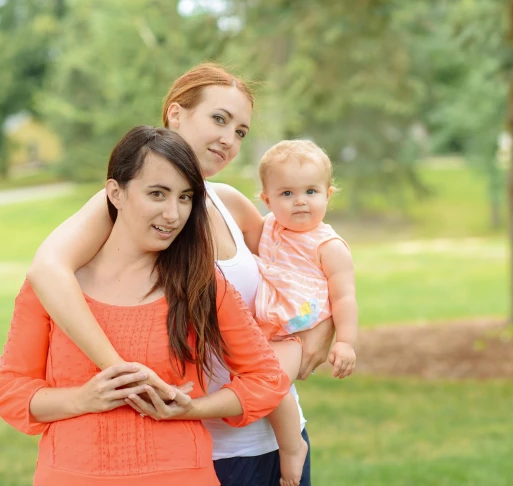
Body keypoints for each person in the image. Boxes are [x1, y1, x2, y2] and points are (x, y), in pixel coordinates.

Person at [26, 63, 335, 486]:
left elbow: (306, 264)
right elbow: (46, 270)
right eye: (219, 119)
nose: (229, 139)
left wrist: (323, 327)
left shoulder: (228, 202)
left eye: (241, 131)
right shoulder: (129, 202)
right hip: (204, 448)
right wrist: (121, 373)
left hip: (277, 435)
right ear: (176, 114)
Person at [0, 126, 290, 485]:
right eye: (157, 194)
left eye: (184, 197)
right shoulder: (52, 286)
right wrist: (83, 399)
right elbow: (10, 391)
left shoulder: (201, 283)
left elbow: (267, 379)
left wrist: (192, 409)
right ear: (115, 193)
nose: (173, 214)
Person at [252, 139, 359, 483]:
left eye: (311, 191)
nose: (300, 201)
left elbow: (344, 297)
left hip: (294, 332)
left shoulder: (328, 246)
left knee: (271, 382)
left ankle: (291, 447)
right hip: (265, 328)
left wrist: (345, 342)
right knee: (260, 380)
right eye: (286, 194)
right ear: (266, 200)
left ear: (329, 194)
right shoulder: (267, 227)